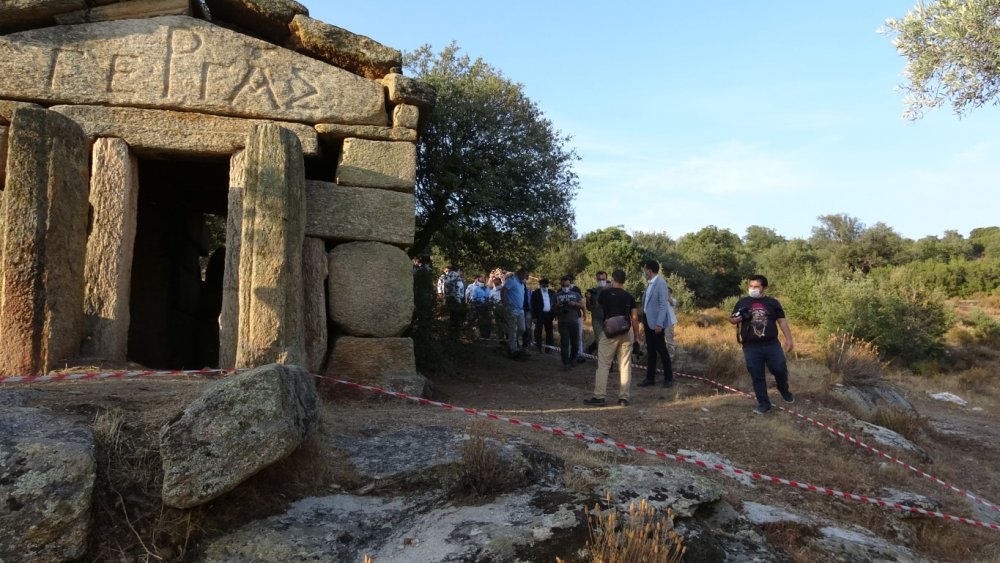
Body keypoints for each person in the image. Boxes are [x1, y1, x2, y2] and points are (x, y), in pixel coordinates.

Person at [729, 275, 795, 414]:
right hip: (750, 346)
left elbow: (782, 321)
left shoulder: (773, 303)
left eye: (756, 287)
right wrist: (735, 320)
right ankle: (764, 404)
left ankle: (783, 388)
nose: (752, 289)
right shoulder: (742, 302)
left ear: (764, 288)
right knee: (757, 375)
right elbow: (732, 318)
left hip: (771, 344)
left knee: (779, 368)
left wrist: (789, 339)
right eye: (751, 286)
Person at [584, 269, 640, 407]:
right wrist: (637, 338)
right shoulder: (629, 297)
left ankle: (599, 396)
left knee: (603, 364)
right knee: (625, 365)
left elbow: (596, 307)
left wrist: (590, 297)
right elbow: (634, 318)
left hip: (609, 332)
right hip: (626, 332)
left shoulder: (605, 294)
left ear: (613, 279)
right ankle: (623, 398)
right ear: (624, 281)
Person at [637, 260, 674, 387]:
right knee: (651, 350)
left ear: (649, 270)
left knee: (662, 350)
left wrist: (659, 324)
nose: (644, 272)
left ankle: (668, 378)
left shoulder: (661, 283)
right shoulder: (650, 284)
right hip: (648, 322)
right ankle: (650, 378)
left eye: (644, 269)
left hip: (656, 324)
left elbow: (663, 305)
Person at [554, 274, 584, 370]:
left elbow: (582, 306)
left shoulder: (576, 294)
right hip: (563, 322)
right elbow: (552, 309)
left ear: (570, 284)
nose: (566, 287)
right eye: (563, 286)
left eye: (567, 285)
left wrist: (574, 303)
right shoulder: (557, 295)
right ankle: (566, 363)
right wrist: (557, 306)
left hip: (574, 322)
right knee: (565, 343)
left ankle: (572, 359)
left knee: (575, 343)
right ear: (561, 285)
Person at [501, 269, 529, 359]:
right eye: (525, 275)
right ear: (520, 274)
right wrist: (505, 303)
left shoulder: (522, 283)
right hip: (511, 310)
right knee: (513, 330)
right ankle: (513, 350)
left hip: (520, 310)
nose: (526, 278)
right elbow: (503, 290)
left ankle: (511, 342)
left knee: (522, 329)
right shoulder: (511, 281)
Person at [585, 271, 610, 354]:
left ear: (606, 279)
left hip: (609, 318)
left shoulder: (611, 290)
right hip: (597, 318)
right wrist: (588, 298)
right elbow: (589, 308)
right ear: (596, 279)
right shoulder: (593, 291)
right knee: (599, 340)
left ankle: (590, 350)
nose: (601, 281)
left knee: (609, 340)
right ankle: (602, 362)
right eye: (599, 279)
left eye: (603, 279)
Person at [530, 278, 556, 352]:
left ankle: (549, 349)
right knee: (538, 331)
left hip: (549, 315)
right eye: (543, 285)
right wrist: (534, 317)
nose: (545, 287)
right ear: (540, 285)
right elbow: (533, 305)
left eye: (546, 285)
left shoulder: (552, 292)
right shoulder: (536, 293)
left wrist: (554, 314)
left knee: (549, 331)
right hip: (539, 315)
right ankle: (538, 348)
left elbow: (554, 304)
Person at [567, 274, 586, 363]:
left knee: (578, 336)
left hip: (577, 315)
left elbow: (582, 303)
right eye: (568, 280)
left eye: (571, 280)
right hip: (566, 317)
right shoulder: (561, 290)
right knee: (569, 336)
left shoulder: (576, 289)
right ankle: (570, 354)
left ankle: (580, 354)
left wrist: (584, 313)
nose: (570, 282)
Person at [469, 274, 492, 339]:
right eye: (481, 280)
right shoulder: (475, 289)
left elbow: (490, 297)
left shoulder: (488, 289)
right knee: (481, 321)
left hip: (487, 307)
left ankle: (487, 335)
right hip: (479, 306)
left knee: (488, 321)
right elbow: (473, 298)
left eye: (483, 279)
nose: (482, 281)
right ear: (478, 280)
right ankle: (482, 335)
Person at [665, 287, 678, 357]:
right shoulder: (661, 300)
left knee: (669, 339)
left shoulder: (673, 300)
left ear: (670, 293)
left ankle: (671, 355)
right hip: (661, 322)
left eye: (667, 291)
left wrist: (667, 296)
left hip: (669, 323)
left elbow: (671, 302)